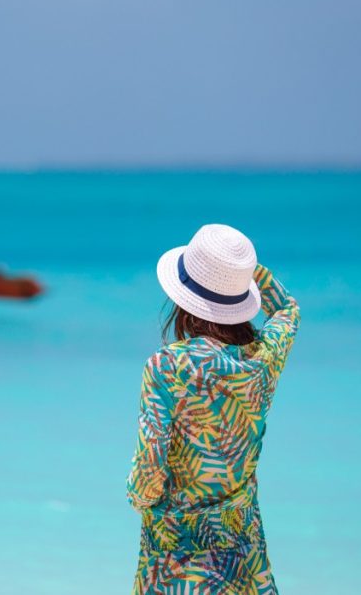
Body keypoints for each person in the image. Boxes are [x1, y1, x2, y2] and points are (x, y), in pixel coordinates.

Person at [127, 224, 300, 593]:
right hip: (243, 549)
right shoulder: (264, 358)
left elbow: (148, 476)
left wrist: (139, 500)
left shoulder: (167, 367)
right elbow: (287, 310)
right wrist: (242, 269)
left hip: (175, 551)